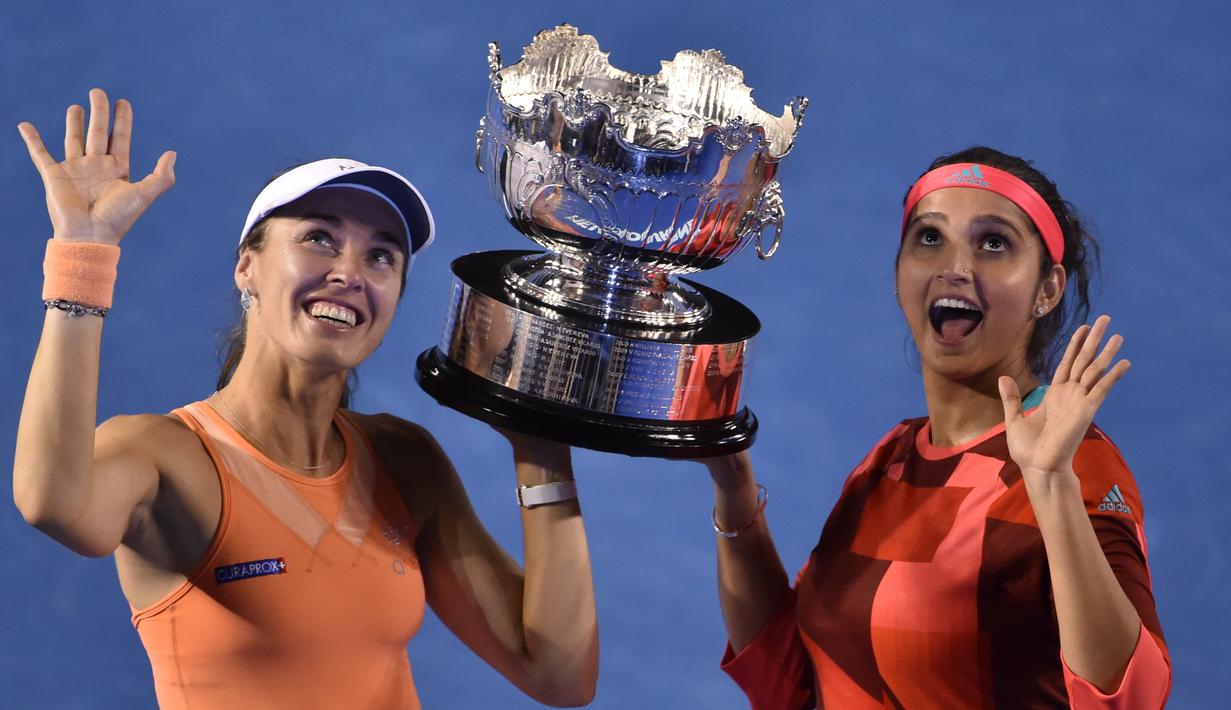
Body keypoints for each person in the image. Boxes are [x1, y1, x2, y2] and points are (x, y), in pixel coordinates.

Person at [13, 88, 598, 709]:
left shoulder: (405, 460)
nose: (350, 271)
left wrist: (542, 449)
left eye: (381, 255)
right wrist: (83, 258)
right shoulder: (164, 455)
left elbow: (558, 676)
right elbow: (53, 502)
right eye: (320, 238)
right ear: (248, 268)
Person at [702, 147, 1170, 709]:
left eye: (993, 243)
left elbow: (1134, 696)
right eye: (930, 238)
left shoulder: (1075, 466)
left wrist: (1049, 484)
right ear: (898, 274)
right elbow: (792, 681)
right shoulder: (890, 458)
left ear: (1047, 289)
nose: (956, 266)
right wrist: (734, 493)